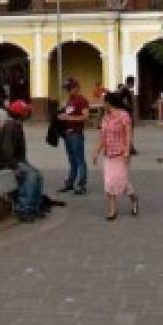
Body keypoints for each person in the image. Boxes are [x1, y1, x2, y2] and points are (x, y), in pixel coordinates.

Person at [0, 99, 44, 222]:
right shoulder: (10, 127)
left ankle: (34, 208)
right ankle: (23, 209)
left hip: (17, 161)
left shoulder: (15, 125)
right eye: (26, 111)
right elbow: (6, 150)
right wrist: (14, 166)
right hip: (8, 163)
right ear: (20, 113)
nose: (28, 113)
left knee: (38, 175)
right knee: (31, 176)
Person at [94, 91, 139, 221]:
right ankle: (112, 210)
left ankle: (134, 199)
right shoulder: (105, 118)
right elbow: (102, 136)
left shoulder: (123, 115)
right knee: (108, 182)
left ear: (108, 103)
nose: (102, 104)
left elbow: (129, 133)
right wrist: (96, 151)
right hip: (108, 154)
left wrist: (127, 150)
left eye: (103, 102)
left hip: (121, 153)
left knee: (121, 182)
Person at [57, 77, 89, 195]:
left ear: (76, 88)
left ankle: (82, 184)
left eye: (69, 88)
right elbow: (68, 113)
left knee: (79, 160)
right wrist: (62, 116)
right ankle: (70, 183)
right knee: (71, 160)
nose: (68, 91)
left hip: (76, 134)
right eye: (66, 89)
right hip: (68, 134)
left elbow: (85, 117)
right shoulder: (69, 100)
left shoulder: (82, 100)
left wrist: (68, 117)